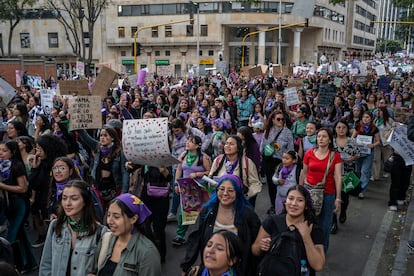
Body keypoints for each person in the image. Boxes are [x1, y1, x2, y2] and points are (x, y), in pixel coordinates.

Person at [180, 174, 261, 276]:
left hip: (240, 270)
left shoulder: (248, 215)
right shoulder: (207, 211)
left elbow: (256, 245)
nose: (225, 193)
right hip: (212, 269)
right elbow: (194, 239)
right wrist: (186, 267)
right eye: (221, 189)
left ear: (238, 193)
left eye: (230, 190)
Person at [252, 185, 325, 276]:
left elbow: (318, 266)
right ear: (285, 201)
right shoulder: (272, 221)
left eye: (300, 200)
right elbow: (254, 250)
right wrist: (261, 246)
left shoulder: (313, 229)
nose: (294, 203)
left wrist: (306, 236)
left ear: (306, 205)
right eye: (290, 198)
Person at [39, 180, 107, 276]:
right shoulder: (55, 225)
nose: (67, 203)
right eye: (64, 198)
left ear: (85, 201)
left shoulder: (100, 232)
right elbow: (46, 264)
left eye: (74, 198)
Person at [90, 193, 161, 276]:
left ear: (133, 219)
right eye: (108, 215)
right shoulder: (106, 239)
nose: (109, 221)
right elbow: (95, 270)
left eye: (116, 217)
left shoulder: (147, 253)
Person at [300, 127, 342, 252]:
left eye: (324, 136)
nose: (321, 139)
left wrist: (338, 198)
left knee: (324, 224)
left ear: (330, 140)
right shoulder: (309, 153)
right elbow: (304, 173)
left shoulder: (335, 156)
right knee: (307, 221)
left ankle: (321, 251)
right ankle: (306, 247)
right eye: (319, 136)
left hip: (327, 193)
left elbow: (338, 177)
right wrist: (299, 190)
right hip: (309, 192)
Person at [0, 140, 37, 273]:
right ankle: (30, 263)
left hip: (20, 204)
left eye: (4, 151)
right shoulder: (2, 166)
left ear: (12, 152)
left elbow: (23, 188)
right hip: (9, 204)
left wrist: (2, 186)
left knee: (11, 236)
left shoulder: (17, 166)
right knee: (21, 234)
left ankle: (9, 268)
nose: (1, 153)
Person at [172, 134, 211, 246]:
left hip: (199, 188)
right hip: (186, 188)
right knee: (184, 212)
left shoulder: (203, 157)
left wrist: (198, 174)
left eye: (191, 141)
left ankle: (204, 235)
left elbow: (210, 172)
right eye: (187, 141)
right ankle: (180, 236)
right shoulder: (183, 155)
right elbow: (179, 170)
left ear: (198, 146)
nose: (187, 143)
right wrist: (176, 183)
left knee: (202, 212)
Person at [29, 134, 67, 248]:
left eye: (40, 149)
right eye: (37, 149)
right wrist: (34, 169)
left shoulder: (60, 164)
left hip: (57, 203)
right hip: (43, 202)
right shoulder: (41, 164)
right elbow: (32, 184)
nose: (37, 152)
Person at [78, 126, 128, 205]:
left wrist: (124, 193)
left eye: (105, 135)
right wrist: (76, 124)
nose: (102, 138)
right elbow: (85, 137)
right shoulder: (97, 147)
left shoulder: (120, 153)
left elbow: (125, 173)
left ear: (112, 138)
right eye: (101, 135)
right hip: (98, 188)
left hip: (115, 189)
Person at [209, 135, 262, 205]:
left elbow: (255, 184)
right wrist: (211, 184)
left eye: (231, 144)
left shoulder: (248, 162)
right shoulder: (218, 160)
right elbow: (210, 177)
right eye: (226, 143)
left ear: (238, 148)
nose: (227, 146)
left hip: (239, 202)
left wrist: (246, 195)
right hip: (220, 200)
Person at [261, 111, 294, 214]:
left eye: (282, 119)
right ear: (273, 120)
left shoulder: (287, 132)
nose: (281, 121)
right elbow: (261, 147)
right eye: (278, 119)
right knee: (271, 185)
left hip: (281, 162)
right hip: (268, 161)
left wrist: (288, 161)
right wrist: (267, 150)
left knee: (281, 185)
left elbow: (291, 149)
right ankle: (273, 206)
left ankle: (284, 206)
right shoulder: (268, 131)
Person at [330, 120, 360, 234]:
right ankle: (333, 222)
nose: (341, 129)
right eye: (338, 127)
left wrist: (352, 158)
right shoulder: (331, 142)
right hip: (333, 173)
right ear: (335, 129)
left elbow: (358, 154)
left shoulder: (352, 141)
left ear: (347, 129)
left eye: (343, 127)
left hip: (348, 172)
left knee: (344, 197)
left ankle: (343, 212)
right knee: (333, 197)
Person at [351, 111, 380, 199]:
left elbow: (378, 141)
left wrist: (373, 145)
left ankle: (361, 191)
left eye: (367, 117)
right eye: (364, 117)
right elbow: (352, 137)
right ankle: (357, 187)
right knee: (358, 171)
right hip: (358, 153)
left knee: (365, 172)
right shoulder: (358, 126)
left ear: (371, 118)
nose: (365, 119)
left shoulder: (374, 128)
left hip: (368, 153)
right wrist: (354, 143)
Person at [272, 150, 300, 215]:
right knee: (279, 215)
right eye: (283, 158)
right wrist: (277, 181)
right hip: (279, 197)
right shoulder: (280, 167)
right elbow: (273, 177)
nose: (284, 160)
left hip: (292, 200)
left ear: (294, 160)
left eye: (287, 159)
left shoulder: (298, 170)